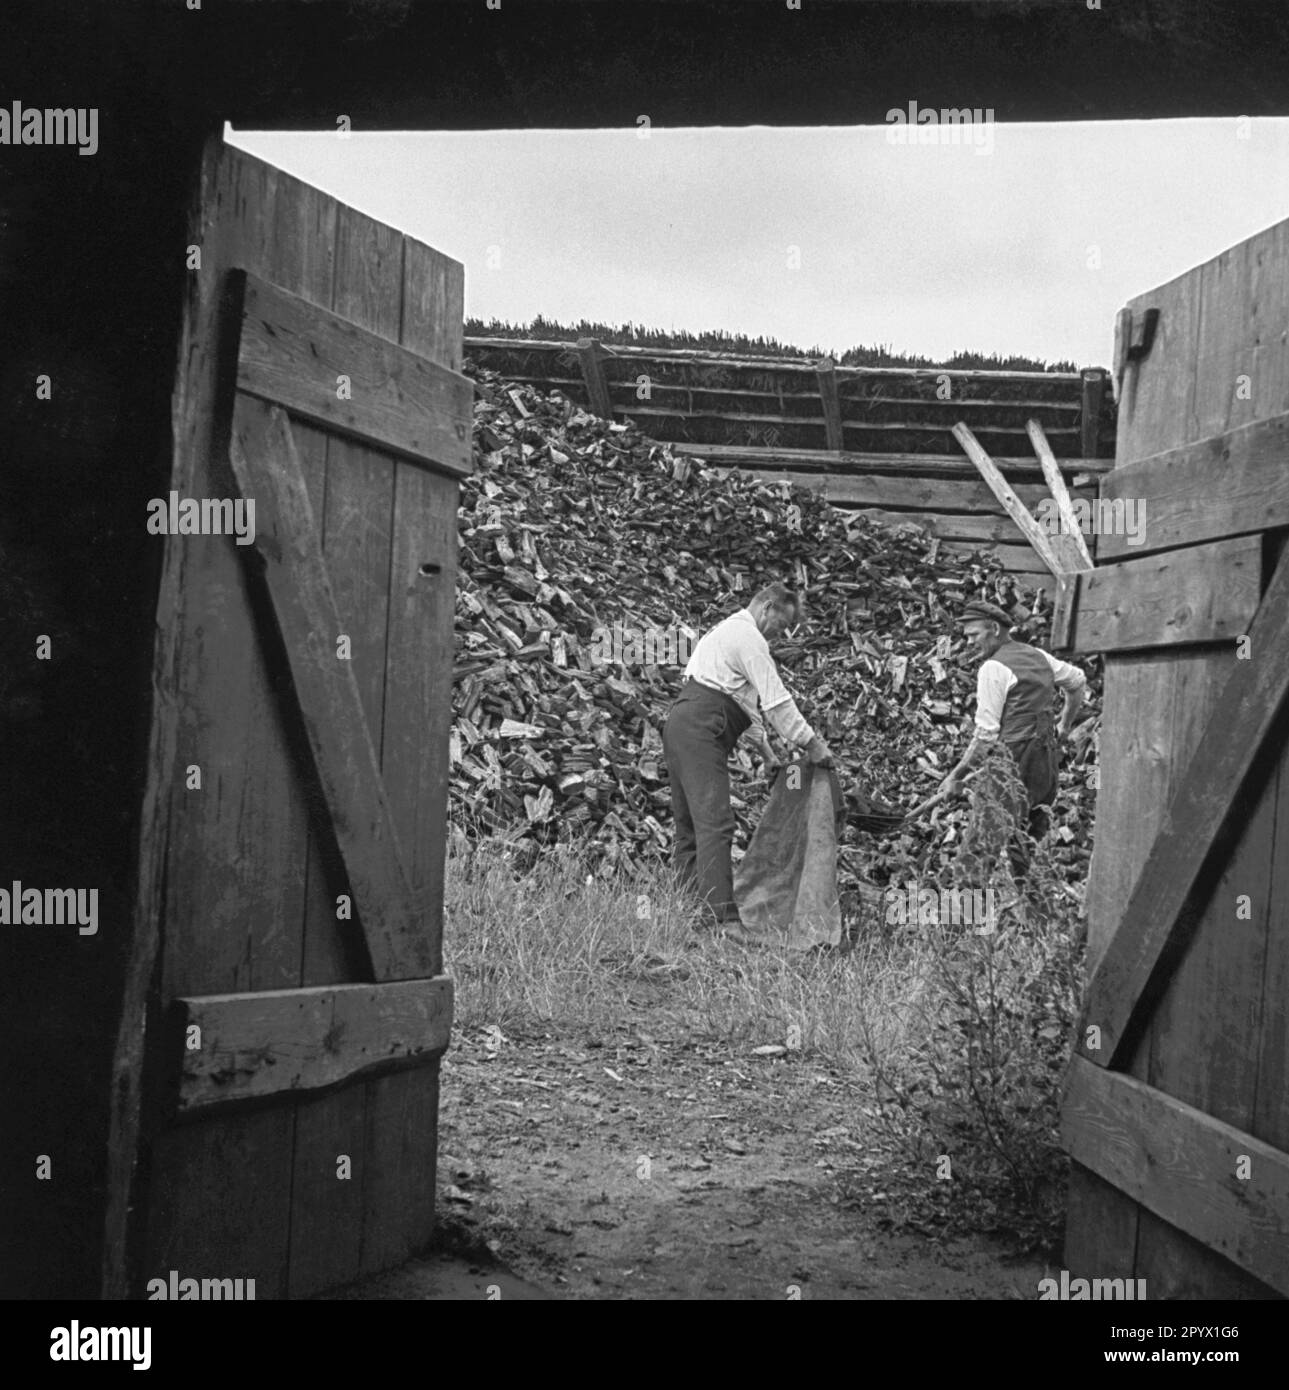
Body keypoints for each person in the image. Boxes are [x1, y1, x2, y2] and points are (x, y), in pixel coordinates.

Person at [663, 583, 832, 937]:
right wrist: (812, 743)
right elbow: (776, 701)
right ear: (766, 607)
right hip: (701, 727)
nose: (779, 634)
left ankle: (684, 911)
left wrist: (768, 754)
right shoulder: (748, 637)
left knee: (690, 827)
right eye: (781, 625)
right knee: (715, 823)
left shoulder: (726, 633)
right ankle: (722, 919)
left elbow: (742, 703)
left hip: (681, 722)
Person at [939, 600, 1087, 883]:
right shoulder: (1038, 655)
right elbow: (1078, 681)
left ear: (994, 629)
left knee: (977, 853)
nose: (968, 643)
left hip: (1012, 769)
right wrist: (1064, 725)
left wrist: (955, 775)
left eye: (973, 635)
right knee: (1025, 852)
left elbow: (984, 737)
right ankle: (1036, 919)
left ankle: (959, 923)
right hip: (1044, 768)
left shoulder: (992, 668)